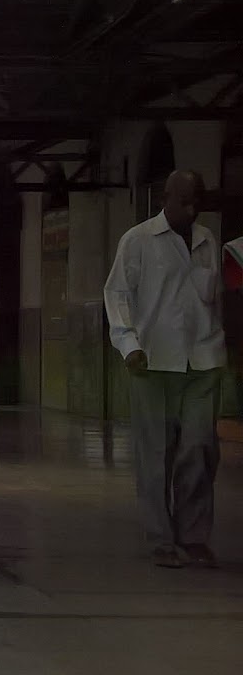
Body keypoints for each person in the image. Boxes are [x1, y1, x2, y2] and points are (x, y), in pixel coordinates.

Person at [104, 169, 224, 569]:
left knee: (199, 447)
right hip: (151, 363)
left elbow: (214, 299)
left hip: (203, 361)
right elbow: (117, 294)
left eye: (196, 203)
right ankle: (161, 538)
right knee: (155, 453)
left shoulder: (208, 240)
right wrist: (128, 345)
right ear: (166, 198)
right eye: (184, 202)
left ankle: (193, 537)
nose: (191, 210)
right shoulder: (138, 241)